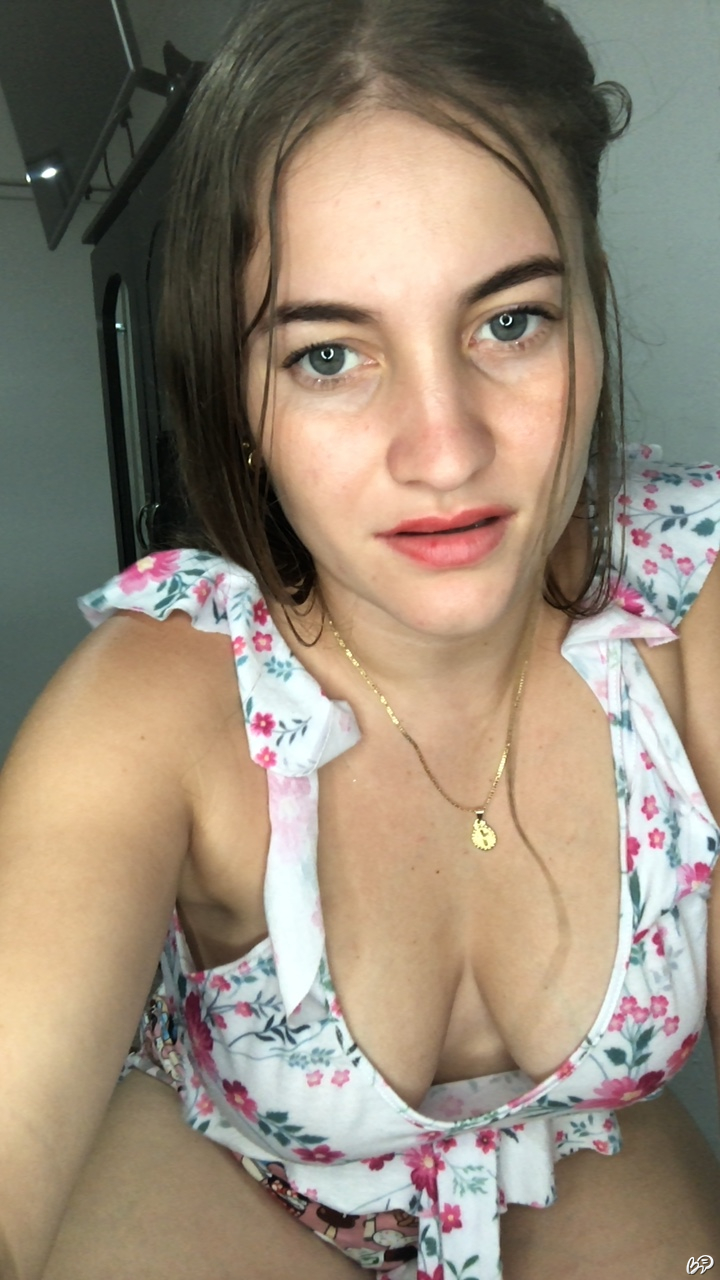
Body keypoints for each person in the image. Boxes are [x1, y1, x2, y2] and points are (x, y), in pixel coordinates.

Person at [1, 1, 719, 1277]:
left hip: (578, 1151)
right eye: (329, 353)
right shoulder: (160, 702)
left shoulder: (687, 609)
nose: (443, 450)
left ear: (590, 310)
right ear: (237, 396)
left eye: (511, 321)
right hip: (235, 1173)